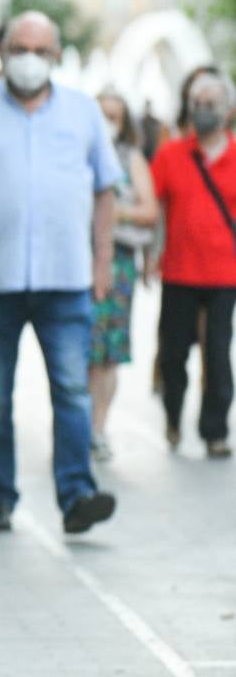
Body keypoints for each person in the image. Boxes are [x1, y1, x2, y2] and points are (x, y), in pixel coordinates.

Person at [0, 11, 120, 535]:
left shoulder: (83, 113)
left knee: (73, 392)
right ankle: (1, 493)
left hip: (66, 280)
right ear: (4, 50)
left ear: (56, 55)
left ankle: (78, 494)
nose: (28, 58)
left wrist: (102, 262)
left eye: (39, 49)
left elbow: (106, 189)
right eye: (19, 47)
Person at [151, 72, 236, 457]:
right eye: (198, 104)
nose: (204, 112)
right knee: (173, 353)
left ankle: (214, 430)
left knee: (218, 353)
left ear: (228, 110)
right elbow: (151, 206)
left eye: (212, 104)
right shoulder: (171, 154)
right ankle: (172, 416)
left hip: (224, 274)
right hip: (179, 271)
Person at [89, 92, 158, 461]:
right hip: (77, 264)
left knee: (107, 353)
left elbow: (149, 211)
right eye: (101, 114)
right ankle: (78, 425)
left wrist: (114, 214)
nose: (107, 122)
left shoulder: (130, 159)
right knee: (79, 350)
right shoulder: (74, 155)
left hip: (118, 263)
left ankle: (97, 427)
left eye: (113, 116)